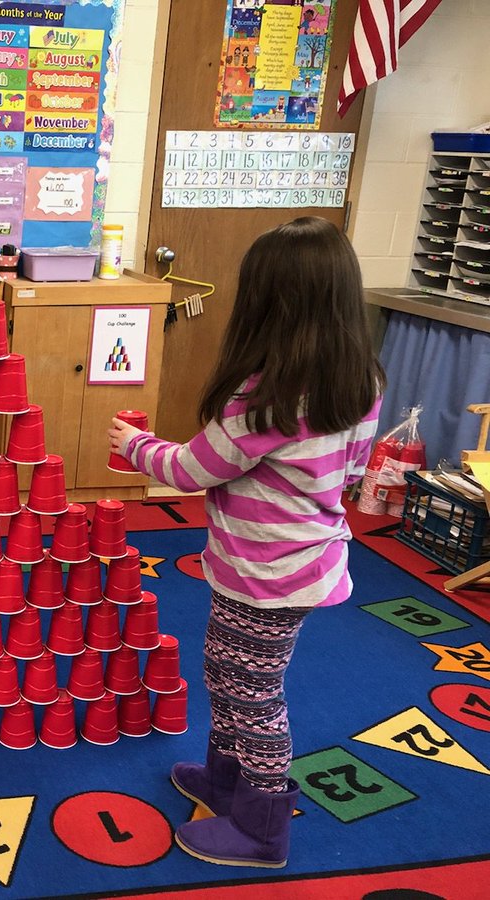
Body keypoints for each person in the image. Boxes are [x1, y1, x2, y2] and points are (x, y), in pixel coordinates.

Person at [107, 216, 384, 869]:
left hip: (267, 572)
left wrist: (134, 446)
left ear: (269, 304)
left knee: (253, 692)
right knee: (225, 669)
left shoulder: (265, 397)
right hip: (291, 561)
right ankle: (225, 781)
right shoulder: (360, 380)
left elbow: (193, 469)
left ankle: (263, 824)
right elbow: (347, 474)